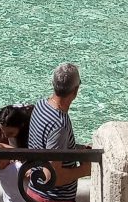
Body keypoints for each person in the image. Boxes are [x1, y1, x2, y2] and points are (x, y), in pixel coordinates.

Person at [26, 63, 91, 202]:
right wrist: (85, 170)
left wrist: (75, 149)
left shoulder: (40, 105)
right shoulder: (59, 124)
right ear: (76, 90)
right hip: (51, 198)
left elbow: (43, 145)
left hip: (34, 191)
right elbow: (53, 176)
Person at [0, 104, 33, 202]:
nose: (6, 137)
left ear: (21, 126)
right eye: (3, 132)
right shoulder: (6, 122)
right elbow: (0, 144)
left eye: (10, 134)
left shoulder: (31, 131)